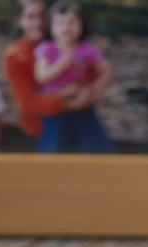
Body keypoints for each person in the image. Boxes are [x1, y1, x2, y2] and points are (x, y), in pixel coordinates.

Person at [0, 0, 83, 152]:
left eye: (42, 16)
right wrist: (66, 102)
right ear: (19, 20)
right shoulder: (15, 56)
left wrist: (89, 91)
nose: (38, 23)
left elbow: (88, 74)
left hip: (78, 118)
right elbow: (28, 103)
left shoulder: (64, 41)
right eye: (31, 17)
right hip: (41, 127)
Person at [32, 0, 111, 153]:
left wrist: (94, 90)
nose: (66, 28)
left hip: (83, 109)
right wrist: (61, 65)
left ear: (80, 26)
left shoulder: (87, 50)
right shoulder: (46, 49)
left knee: (97, 150)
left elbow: (106, 72)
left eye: (71, 22)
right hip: (55, 112)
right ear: (52, 28)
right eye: (60, 23)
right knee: (54, 151)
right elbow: (41, 76)